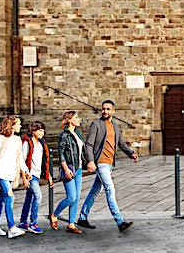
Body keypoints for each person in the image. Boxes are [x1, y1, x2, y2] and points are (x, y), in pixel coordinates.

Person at [78, 100, 138, 233]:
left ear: (113, 111)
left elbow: (121, 144)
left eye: (108, 109)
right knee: (110, 190)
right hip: (101, 163)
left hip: (110, 164)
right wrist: (91, 161)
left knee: (94, 191)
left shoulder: (115, 126)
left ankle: (82, 217)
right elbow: (89, 144)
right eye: (103, 109)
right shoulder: (96, 124)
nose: (105, 111)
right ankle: (120, 222)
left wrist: (131, 153)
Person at [0, 115, 27, 238]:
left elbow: (19, 158)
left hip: (10, 174)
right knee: (10, 197)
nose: (20, 126)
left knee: (1, 200)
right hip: (0, 172)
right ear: (12, 125)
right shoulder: (0, 139)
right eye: (18, 124)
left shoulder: (17, 140)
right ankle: (12, 228)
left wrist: (26, 171)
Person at [51, 110, 86, 234]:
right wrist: (65, 169)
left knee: (76, 199)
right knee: (71, 197)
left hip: (79, 169)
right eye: (76, 117)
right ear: (69, 120)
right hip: (69, 168)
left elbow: (82, 151)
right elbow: (60, 154)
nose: (79, 119)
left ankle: (71, 224)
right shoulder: (64, 135)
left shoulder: (77, 133)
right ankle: (54, 215)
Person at [16, 121, 52, 235]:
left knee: (29, 198)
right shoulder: (27, 143)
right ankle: (33, 223)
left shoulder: (41, 143)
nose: (43, 132)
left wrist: (49, 176)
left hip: (37, 174)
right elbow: (22, 160)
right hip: (30, 175)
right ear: (33, 131)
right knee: (38, 196)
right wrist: (24, 178)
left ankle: (23, 222)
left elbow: (44, 162)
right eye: (40, 130)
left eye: (43, 130)